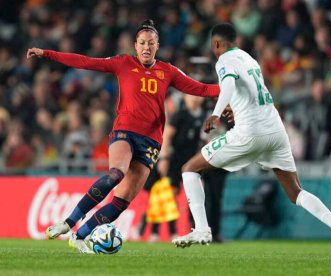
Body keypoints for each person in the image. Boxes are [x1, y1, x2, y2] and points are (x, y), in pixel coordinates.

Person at [172, 23, 331, 261]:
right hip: (275, 130)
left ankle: (201, 229)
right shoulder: (250, 60)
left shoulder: (223, 61)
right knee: (296, 192)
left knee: (189, 169)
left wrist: (217, 113)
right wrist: (235, 107)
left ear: (216, 44)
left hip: (249, 133)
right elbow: (251, 93)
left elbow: (230, 85)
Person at [26, 19, 221, 254]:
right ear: (135, 45)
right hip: (125, 132)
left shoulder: (168, 71)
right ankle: (68, 222)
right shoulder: (123, 63)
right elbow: (85, 61)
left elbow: (200, 88)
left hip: (151, 142)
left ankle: (79, 236)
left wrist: (233, 88)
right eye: (142, 43)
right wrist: (47, 53)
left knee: (121, 201)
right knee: (115, 174)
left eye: (151, 43)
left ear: (157, 46)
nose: (146, 47)